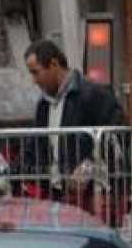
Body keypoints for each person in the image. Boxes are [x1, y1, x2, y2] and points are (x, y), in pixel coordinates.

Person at [21, 39, 124, 217]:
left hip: (91, 196)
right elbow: (35, 146)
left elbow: (117, 137)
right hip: (58, 195)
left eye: (36, 72)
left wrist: (89, 166)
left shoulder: (94, 95)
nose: (34, 80)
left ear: (54, 64)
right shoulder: (44, 105)